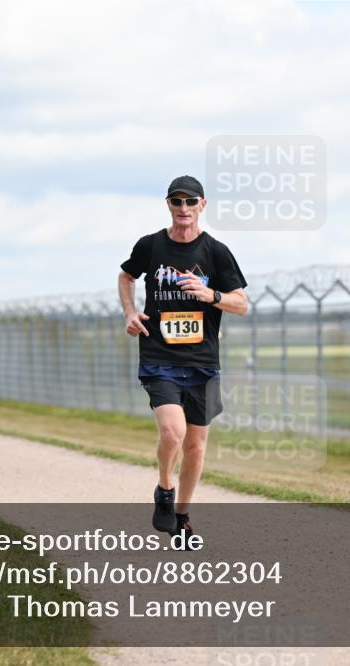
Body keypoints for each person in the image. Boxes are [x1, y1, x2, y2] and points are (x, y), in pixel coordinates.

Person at [118, 175, 249, 543]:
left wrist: (211, 295)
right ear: (168, 205)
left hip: (202, 361)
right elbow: (126, 276)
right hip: (159, 357)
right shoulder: (151, 246)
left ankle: (183, 516)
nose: (184, 209)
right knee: (173, 431)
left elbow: (241, 304)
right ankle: (164, 489)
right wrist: (130, 312)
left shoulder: (216, 251)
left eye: (191, 202)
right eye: (177, 202)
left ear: (202, 205)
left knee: (195, 445)